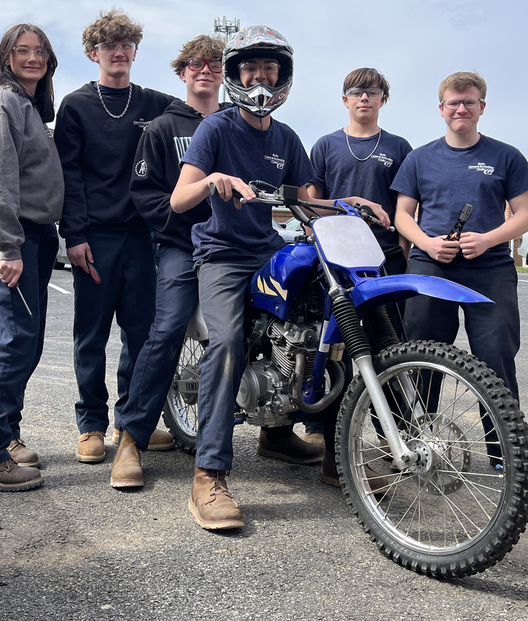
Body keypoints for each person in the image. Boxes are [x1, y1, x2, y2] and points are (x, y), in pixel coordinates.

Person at [170, 26, 383, 529]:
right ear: (237, 75)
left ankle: (334, 454)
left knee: (330, 326)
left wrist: (351, 203)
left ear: (282, 76)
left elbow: (310, 199)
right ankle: (208, 475)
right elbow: (179, 199)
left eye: (269, 69)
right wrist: (211, 180)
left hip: (267, 247)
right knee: (226, 344)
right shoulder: (216, 129)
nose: (260, 77)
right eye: (251, 68)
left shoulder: (286, 138)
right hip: (222, 254)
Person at [390, 71, 528, 483]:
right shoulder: (419, 158)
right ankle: (415, 447)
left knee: (495, 361)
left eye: (469, 102)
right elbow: (401, 215)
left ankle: (506, 456)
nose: (461, 109)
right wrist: (426, 243)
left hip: (490, 268)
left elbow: (525, 216)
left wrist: (488, 239)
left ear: (482, 107)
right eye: (453, 102)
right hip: (431, 267)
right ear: (441, 108)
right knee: (422, 358)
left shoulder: (506, 156)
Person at [55, 9, 175, 464]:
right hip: (95, 239)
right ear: (94, 54)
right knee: (91, 335)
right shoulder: (76, 106)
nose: (119, 52)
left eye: (126, 45)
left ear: (135, 51)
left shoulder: (156, 105)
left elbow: (199, 113)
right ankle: (91, 425)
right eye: (110, 46)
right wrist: (75, 234)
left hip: (144, 238)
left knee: (141, 335)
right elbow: (69, 174)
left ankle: (131, 422)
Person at [109, 34, 227, 488]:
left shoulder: (239, 124)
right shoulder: (162, 128)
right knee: (168, 326)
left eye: (214, 64)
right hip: (182, 247)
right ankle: (131, 438)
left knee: (268, 322)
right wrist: (180, 229)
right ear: (182, 73)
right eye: (195, 64)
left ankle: (275, 433)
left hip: (233, 248)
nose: (205, 70)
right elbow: (146, 195)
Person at [0, 23, 64, 492]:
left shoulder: (27, 107)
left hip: (36, 234)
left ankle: (2, 439)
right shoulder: (3, 104)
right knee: (17, 339)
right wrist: (9, 247)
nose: (32, 58)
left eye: (40, 51)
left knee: (28, 339)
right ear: (6, 57)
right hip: (15, 236)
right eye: (22, 51)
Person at [304, 68, 412, 453]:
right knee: (331, 344)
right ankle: (321, 426)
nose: (363, 97)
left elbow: (405, 207)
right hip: (335, 260)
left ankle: (393, 433)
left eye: (372, 91)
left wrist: (403, 251)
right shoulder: (326, 145)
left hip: (384, 260)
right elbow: (312, 203)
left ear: (383, 98)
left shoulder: (399, 147)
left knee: (390, 346)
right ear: (344, 99)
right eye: (355, 92)